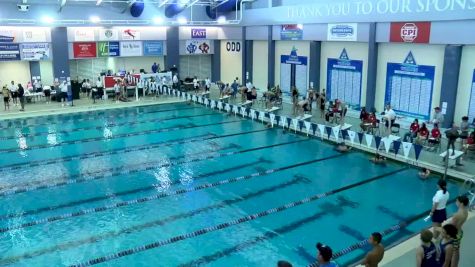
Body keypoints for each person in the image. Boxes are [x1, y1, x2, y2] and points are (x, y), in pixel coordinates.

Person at [450, 195, 469, 267]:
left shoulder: (457, 215)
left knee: (454, 252)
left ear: (461, 203)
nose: (456, 202)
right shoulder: (465, 211)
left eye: (457, 201)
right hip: (460, 232)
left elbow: (451, 227)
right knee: (456, 250)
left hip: (455, 235)